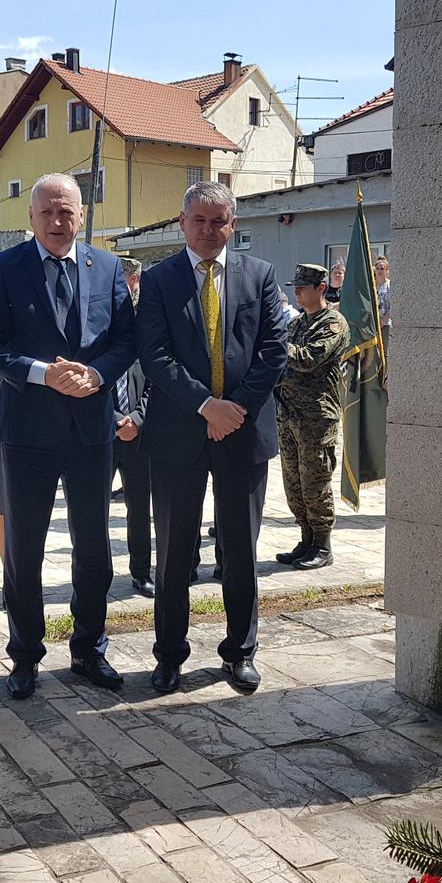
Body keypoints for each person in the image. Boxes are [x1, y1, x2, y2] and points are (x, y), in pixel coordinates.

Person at [0, 172, 137, 698]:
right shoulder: (4, 269)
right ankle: (24, 655)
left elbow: (126, 340)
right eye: (46, 211)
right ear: (31, 217)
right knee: (25, 549)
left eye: (66, 210)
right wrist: (42, 373)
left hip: (92, 430)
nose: (57, 220)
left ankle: (89, 648)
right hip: (27, 431)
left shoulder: (107, 267)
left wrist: (98, 375)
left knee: (94, 548)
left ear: (82, 214)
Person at [136, 181, 288, 694]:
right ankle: (169, 655)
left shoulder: (260, 275)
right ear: (182, 223)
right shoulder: (159, 280)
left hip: (243, 434)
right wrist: (206, 406)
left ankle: (240, 652)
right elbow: (155, 355)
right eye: (198, 220)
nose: (207, 230)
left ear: (233, 225)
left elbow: (274, 350)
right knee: (174, 554)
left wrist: (233, 409)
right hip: (178, 436)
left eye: (218, 221)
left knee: (240, 552)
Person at [275, 264, 351, 571]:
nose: (297, 292)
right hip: (289, 413)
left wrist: (275, 345)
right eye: (295, 287)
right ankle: (305, 538)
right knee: (293, 482)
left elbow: (309, 358)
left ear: (321, 288)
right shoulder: (296, 324)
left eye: (303, 287)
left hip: (317, 417)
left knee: (315, 481)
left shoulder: (333, 323)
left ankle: (322, 544)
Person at [113, 256, 154, 597]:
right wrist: (115, 419)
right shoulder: (96, 325)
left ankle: (141, 573)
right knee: (90, 510)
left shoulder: (148, 326)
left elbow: (156, 379)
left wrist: (137, 419)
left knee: (139, 508)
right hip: (101, 431)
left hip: (139, 432)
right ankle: (93, 574)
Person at [373, 255, 391, 353]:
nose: (379, 270)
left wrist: (383, 321)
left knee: (384, 352)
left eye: (382, 268)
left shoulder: (390, 285)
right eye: (378, 268)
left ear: (387, 271)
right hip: (372, 324)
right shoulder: (371, 285)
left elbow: (393, 306)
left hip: (385, 323)